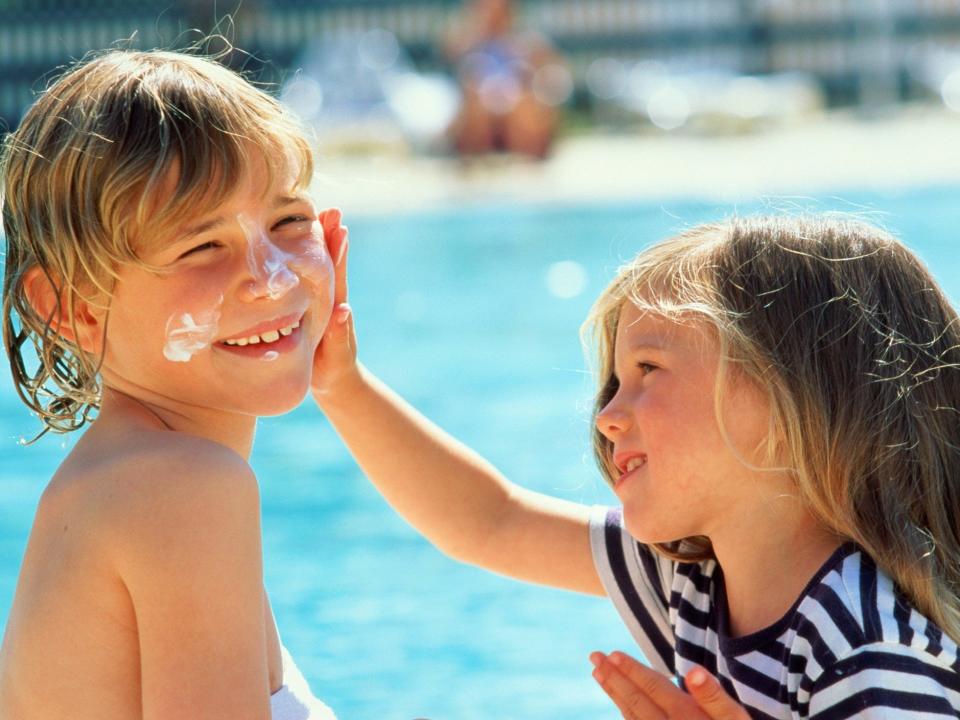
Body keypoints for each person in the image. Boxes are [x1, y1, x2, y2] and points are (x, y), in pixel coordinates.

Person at [312, 215, 960, 718]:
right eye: (615, 383)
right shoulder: (694, 580)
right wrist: (340, 384)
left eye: (648, 370)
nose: (606, 416)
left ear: (797, 395)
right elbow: (489, 520)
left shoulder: (871, 653)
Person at [0, 49, 346, 719]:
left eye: (289, 222)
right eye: (200, 247)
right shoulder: (183, 489)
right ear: (74, 307)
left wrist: (345, 380)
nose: (271, 277)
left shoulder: (131, 478)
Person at [442, 0, 565, 159]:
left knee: (526, 107)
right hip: (480, 106)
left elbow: (551, 74)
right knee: (475, 107)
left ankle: (523, 156)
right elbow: (449, 54)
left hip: (516, 107)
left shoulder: (528, 42)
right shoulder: (466, 42)